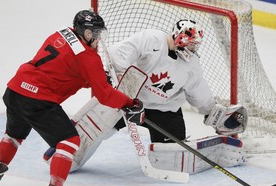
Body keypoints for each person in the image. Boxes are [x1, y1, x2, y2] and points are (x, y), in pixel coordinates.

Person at [0, 10, 144, 186]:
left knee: (14, 135)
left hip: (16, 90)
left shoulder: (61, 33)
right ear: (84, 32)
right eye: (93, 33)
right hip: (37, 100)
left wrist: (93, 78)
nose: (97, 38)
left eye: (98, 33)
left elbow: (63, 68)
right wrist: (129, 102)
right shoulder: (89, 58)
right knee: (70, 140)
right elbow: (105, 96)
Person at [43, 19, 246, 176]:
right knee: (98, 129)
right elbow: (118, 54)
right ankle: (64, 153)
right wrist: (120, 85)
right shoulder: (151, 39)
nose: (194, 50)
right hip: (130, 102)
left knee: (171, 158)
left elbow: (199, 93)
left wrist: (213, 112)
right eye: (192, 45)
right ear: (181, 39)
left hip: (164, 111)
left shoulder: (191, 66)